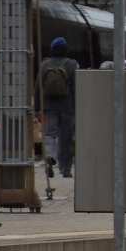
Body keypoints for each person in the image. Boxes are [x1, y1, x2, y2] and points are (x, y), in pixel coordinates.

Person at [38, 38, 79, 179]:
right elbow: (75, 86)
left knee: (50, 133)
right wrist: (78, 105)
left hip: (50, 106)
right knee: (66, 138)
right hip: (68, 107)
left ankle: (50, 155)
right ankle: (65, 170)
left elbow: (38, 87)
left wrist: (38, 107)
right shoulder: (72, 65)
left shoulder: (44, 65)